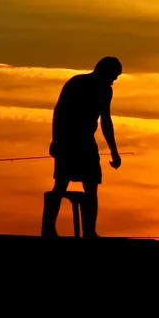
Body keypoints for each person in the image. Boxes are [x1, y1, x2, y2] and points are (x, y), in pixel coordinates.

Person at [42, 57, 123, 238]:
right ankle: (48, 229)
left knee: (92, 186)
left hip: (87, 141)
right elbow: (59, 112)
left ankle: (89, 231)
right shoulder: (76, 83)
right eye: (114, 75)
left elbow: (106, 121)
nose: (114, 80)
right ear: (104, 71)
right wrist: (56, 140)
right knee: (61, 184)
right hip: (67, 140)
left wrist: (114, 151)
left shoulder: (106, 91)